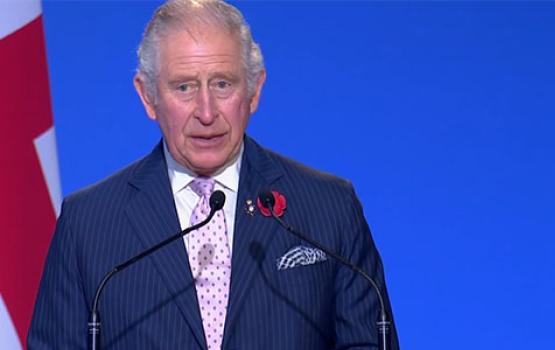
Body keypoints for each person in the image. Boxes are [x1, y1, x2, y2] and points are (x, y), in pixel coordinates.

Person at [27, 1, 398, 349]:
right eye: (184, 86)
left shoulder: (328, 209)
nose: (206, 112)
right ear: (147, 96)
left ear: (254, 91)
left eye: (222, 83)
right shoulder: (88, 223)